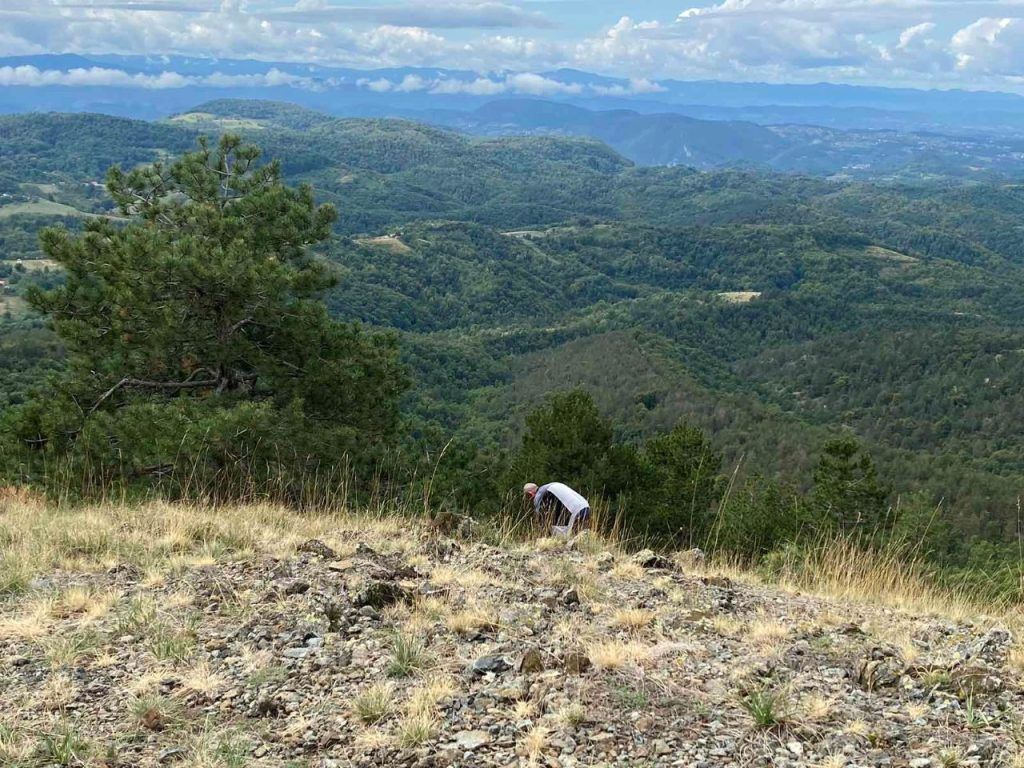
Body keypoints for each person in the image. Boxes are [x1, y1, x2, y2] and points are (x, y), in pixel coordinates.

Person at [523, 481, 591, 537]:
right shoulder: (553, 485)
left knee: (566, 537)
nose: (529, 500)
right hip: (585, 506)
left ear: (530, 494)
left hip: (575, 511)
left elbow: (542, 519)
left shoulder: (540, 495)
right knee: (579, 536)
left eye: (527, 497)